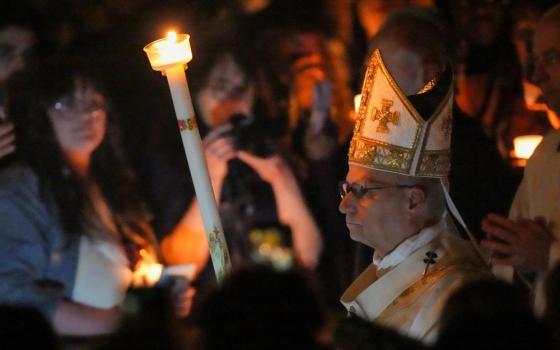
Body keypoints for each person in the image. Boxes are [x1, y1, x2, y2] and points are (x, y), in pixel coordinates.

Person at [0, 58, 190, 337]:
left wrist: (161, 295)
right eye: (66, 104)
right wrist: (119, 324)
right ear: (39, 115)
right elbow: (9, 292)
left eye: (94, 104)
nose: (85, 115)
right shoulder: (22, 190)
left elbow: (133, 272)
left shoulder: (113, 189)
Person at [338, 13, 488, 343]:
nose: (344, 205)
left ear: (413, 200)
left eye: (361, 190)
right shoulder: (388, 268)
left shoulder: (453, 296)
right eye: (347, 188)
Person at [140, 30, 322, 274]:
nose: (232, 100)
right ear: (195, 93)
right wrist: (210, 178)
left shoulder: (271, 148)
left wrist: (281, 178)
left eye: (242, 88)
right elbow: (182, 263)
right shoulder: (170, 159)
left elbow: (308, 255)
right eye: (220, 87)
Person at [481, 4, 560, 315]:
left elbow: (540, 255)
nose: (537, 76)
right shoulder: (545, 154)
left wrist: (549, 256)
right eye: (535, 60)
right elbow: (515, 259)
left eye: (552, 58)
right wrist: (508, 250)